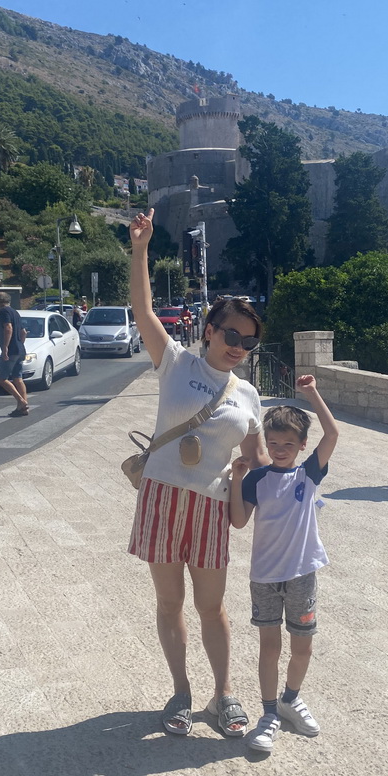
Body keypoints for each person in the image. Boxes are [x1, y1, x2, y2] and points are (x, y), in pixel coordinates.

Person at [128, 208, 268, 737]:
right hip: (163, 497)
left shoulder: (249, 395)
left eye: (249, 342)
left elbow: (253, 459)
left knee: (213, 607)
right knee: (170, 602)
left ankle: (224, 695)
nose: (238, 346)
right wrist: (140, 248)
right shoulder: (177, 364)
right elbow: (143, 310)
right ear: (210, 330)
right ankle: (181, 694)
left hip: (211, 505)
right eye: (231, 333)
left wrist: (248, 490)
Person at [229, 376, 338, 753]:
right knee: (269, 648)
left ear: (302, 446)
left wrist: (312, 394)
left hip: (302, 576)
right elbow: (239, 521)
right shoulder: (257, 478)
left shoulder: (308, 474)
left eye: (288, 444)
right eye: (273, 443)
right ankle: (269, 712)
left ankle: (292, 698)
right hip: (264, 577)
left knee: (303, 647)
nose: (279, 450)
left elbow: (333, 435)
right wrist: (237, 480)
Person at [0, 292, 29, 416]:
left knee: (1, 379)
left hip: (11, 351)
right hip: (20, 349)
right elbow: (23, 332)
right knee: (18, 378)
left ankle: (21, 401)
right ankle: (22, 408)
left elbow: (8, 328)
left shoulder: (4, 312)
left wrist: (5, 348)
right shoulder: (16, 312)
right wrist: (20, 344)